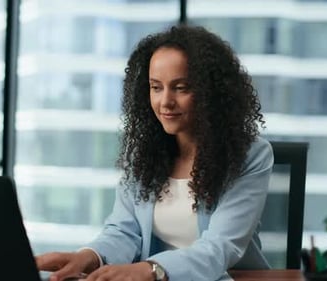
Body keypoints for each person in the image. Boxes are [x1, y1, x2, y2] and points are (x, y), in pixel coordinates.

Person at [36, 24, 273, 281]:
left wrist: (152, 269)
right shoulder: (144, 153)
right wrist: (90, 256)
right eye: (156, 87)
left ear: (210, 93)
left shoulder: (251, 155)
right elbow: (124, 230)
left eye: (181, 88)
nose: (165, 102)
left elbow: (220, 248)